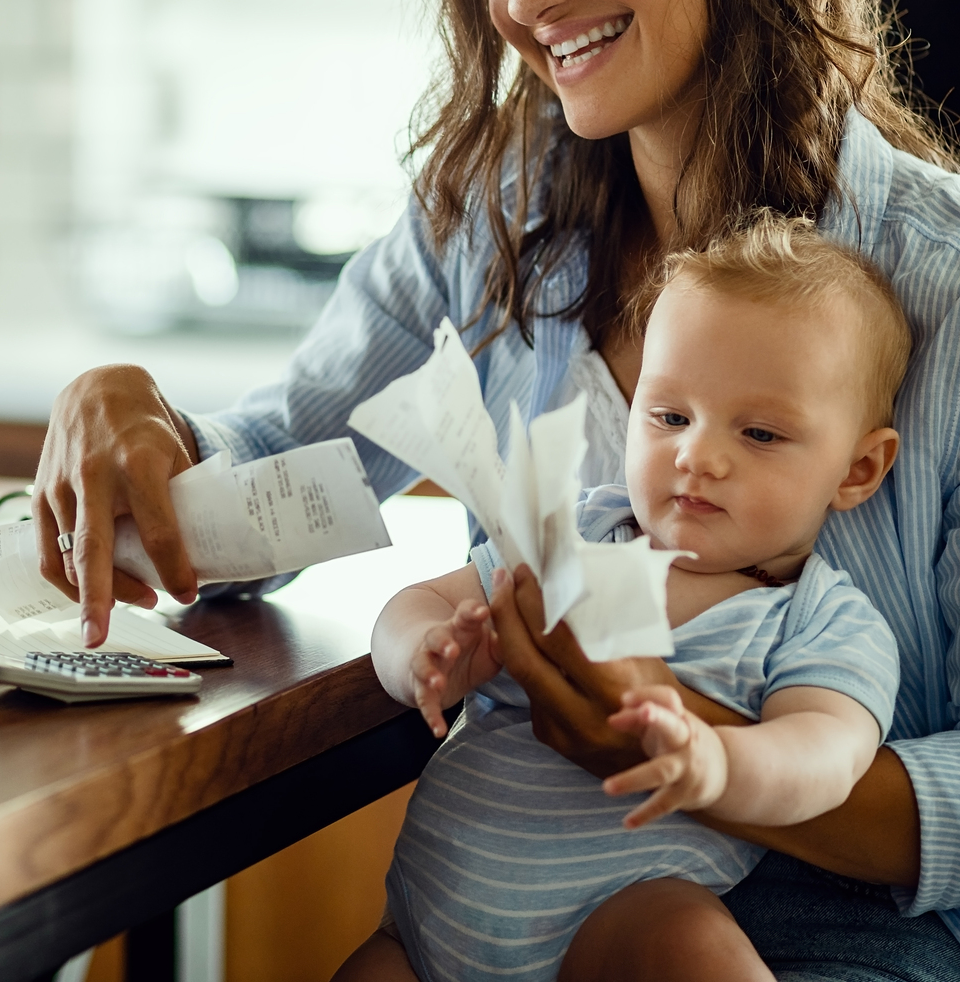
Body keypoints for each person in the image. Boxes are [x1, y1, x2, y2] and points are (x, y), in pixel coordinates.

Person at [33, 0, 960, 980]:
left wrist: (706, 757)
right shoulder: (494, 224)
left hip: (891, 942)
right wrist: (137, 424)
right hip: (534, 911)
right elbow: (290, 478)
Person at [354, 213, 907, 981]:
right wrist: (425, 650)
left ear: (856, 471)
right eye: (671, 416)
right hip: (422, 929)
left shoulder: (819, 620)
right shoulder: (581, 531)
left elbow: (828, 755)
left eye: (761, 435)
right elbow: (414, 601)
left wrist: (718, 761)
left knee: (688, 945)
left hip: (612, 926)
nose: (697, 455)